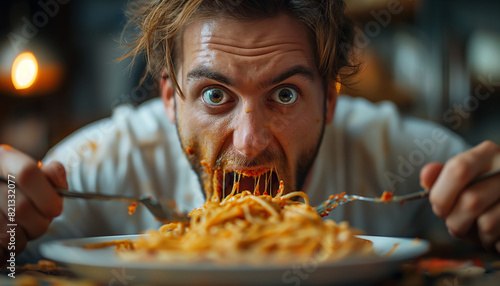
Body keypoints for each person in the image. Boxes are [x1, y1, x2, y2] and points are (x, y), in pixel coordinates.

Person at [1, 0, 499, 264]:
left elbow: (476, 223)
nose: (249, 142)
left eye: (284, 95)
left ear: (330, 98)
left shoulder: (403, 158)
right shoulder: (98, 164)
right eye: (215, 96)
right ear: (170, 97)